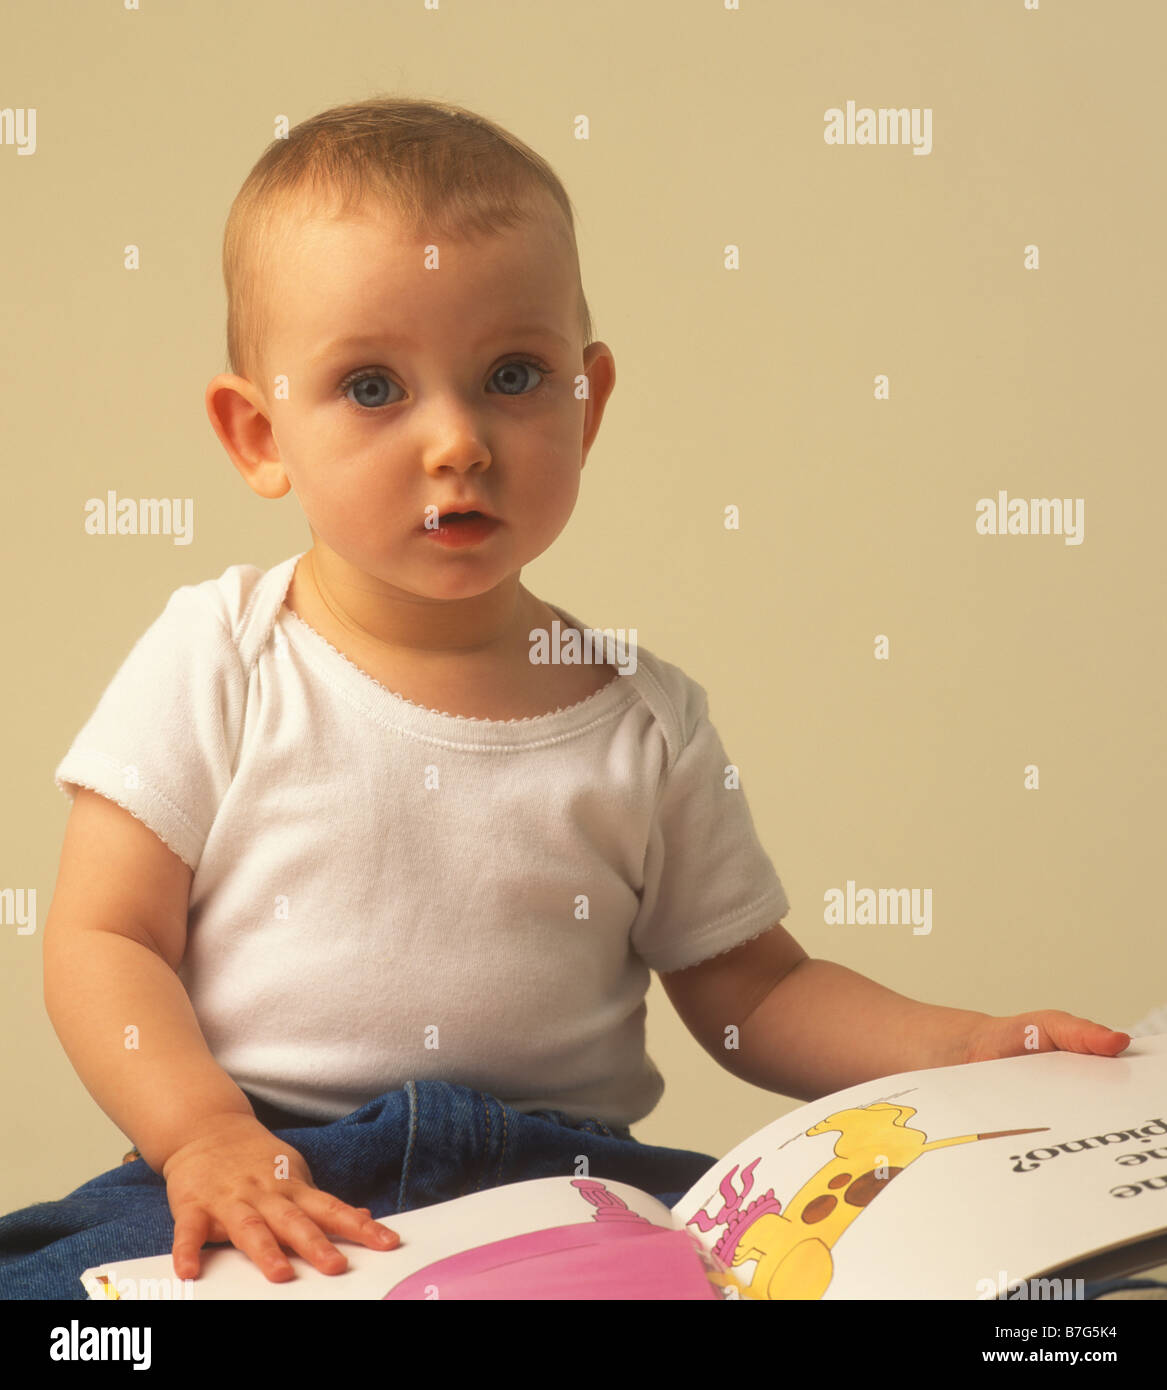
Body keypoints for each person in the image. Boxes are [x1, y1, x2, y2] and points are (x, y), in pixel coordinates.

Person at [1, 96, 1129, 1300]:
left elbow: (756, 990)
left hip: (567, 1178)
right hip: (271, 1162)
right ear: (258, 432)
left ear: (586, 402)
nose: (458, 442)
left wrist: (959, 1051)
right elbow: (104, 936)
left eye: (512, 375)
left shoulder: (646, 720)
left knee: (877, 1279)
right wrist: (198, 1131)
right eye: (374, 387)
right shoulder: (220, 652)